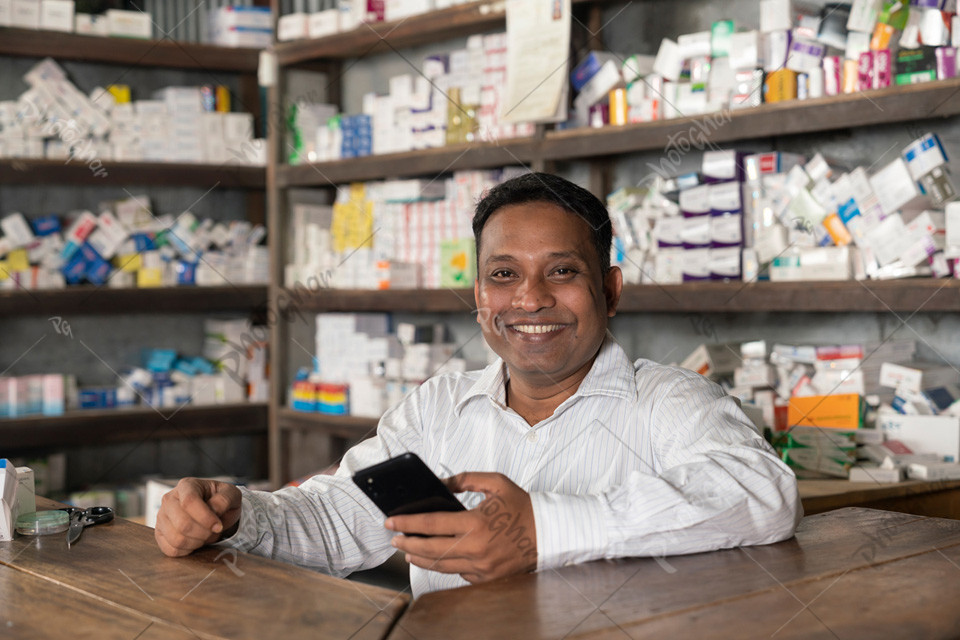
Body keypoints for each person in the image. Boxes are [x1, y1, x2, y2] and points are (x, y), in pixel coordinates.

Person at [155, 172, 802, 597]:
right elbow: (335, 521)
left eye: (563, 271)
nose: (530, 299)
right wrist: (239, 515)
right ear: (478, 297)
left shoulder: (670, 401)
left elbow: (764, 495)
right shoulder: (440, 408)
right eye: (503, 275)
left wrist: (542, 529)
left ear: (609, 290)